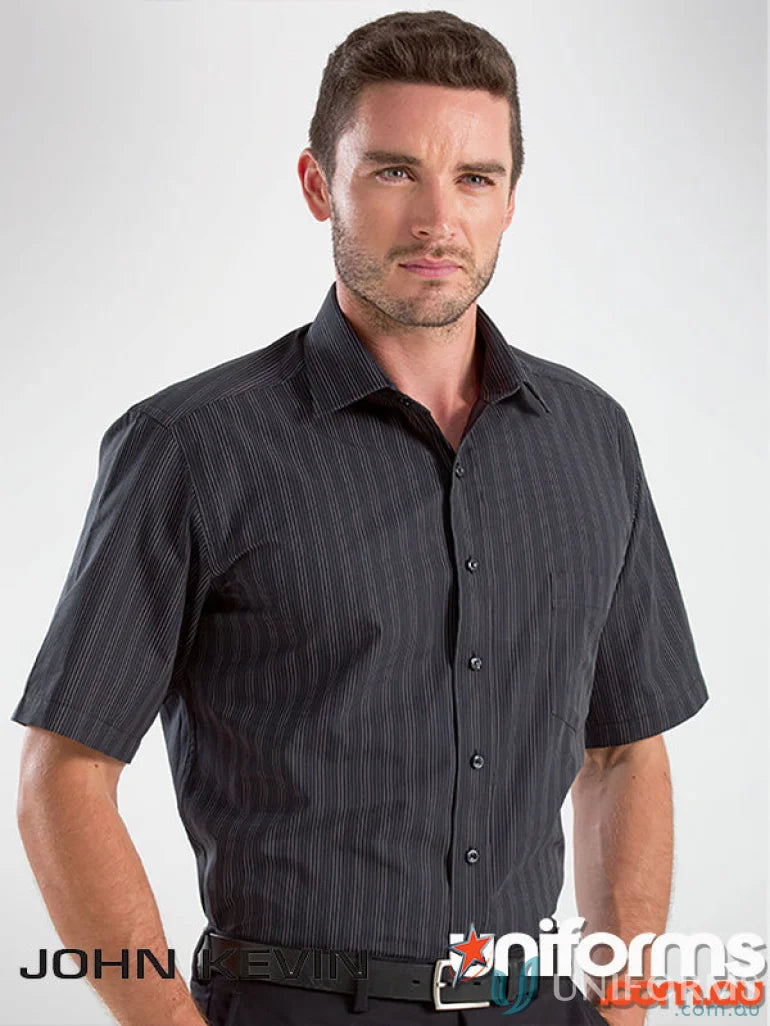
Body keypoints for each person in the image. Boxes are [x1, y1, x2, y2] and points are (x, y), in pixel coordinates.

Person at [12, 9, 709, 1026]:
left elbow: (624, 751)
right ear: (317, 185)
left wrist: (623, 1007)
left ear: (511, 198)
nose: (437, 220)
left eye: (474, 178)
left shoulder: (590, 436)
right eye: (393, 172)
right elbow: (64, 773)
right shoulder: (193, 446)